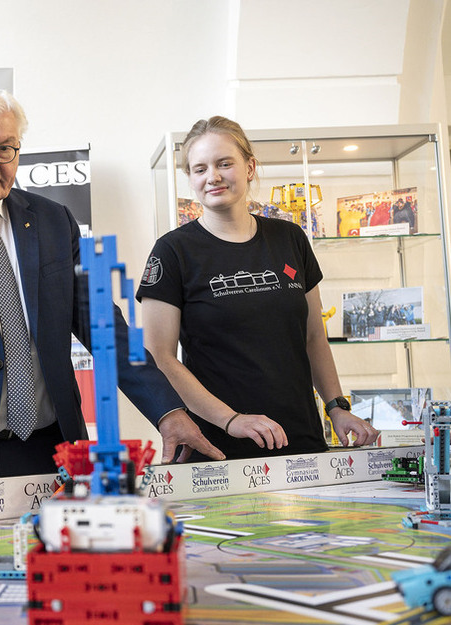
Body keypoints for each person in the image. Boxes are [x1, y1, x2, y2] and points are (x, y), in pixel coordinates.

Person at [0, 88, 223, 487]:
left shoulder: (54, 221)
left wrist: (168, 411)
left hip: (49, 451)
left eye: (5, 149)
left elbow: (103, 325)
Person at [136, 116, 379, 461]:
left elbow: (313, 337)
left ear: (249, 167)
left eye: (224, 164)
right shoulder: (173, 251)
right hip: (219, 445)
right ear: (190, 178)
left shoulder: (290, 238)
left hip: (300, 436)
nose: (213, 177)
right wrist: (231, 420)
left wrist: (336, 407)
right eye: (199, 169)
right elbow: (160, 357)